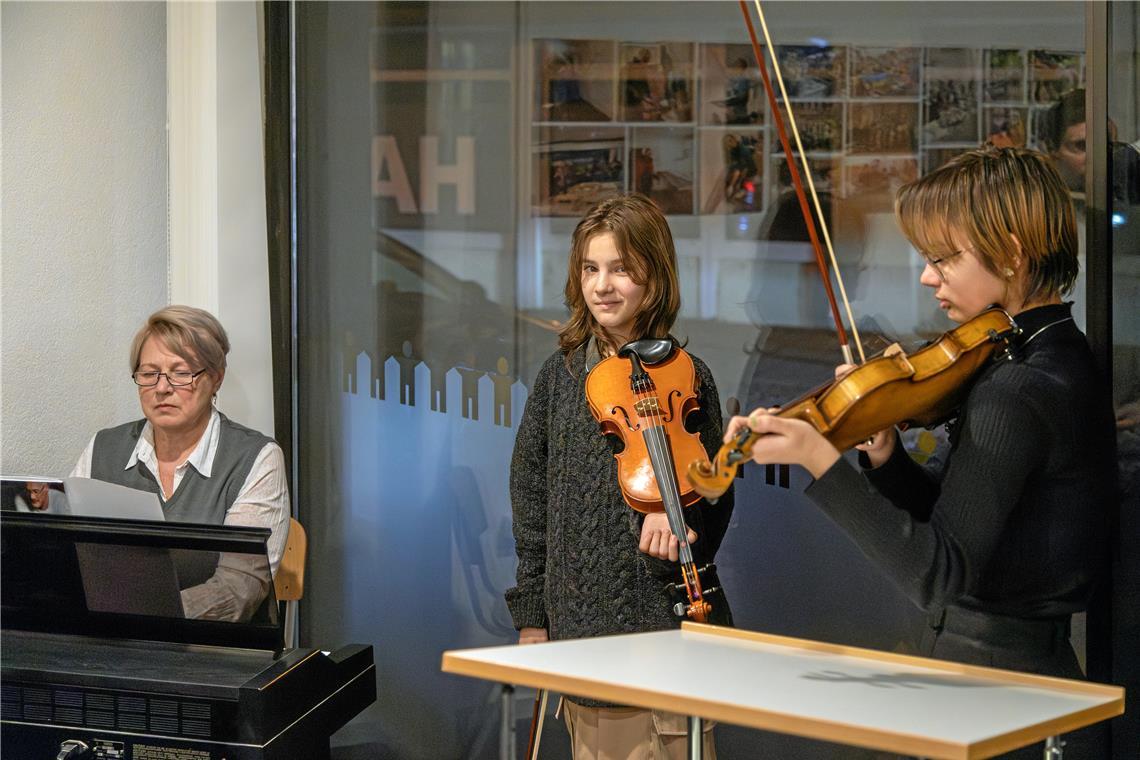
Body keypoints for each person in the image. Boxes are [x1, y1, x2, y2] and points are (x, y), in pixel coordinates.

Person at [726, 146, 1112, 757]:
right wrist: (886, 456)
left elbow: (939, 572)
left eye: (943, 258)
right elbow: (970, 521)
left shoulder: (1020, 386)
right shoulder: (1051, 356)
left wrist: (821, 461)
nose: (928, 277)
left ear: (1011, 252)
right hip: (1008, 686)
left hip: (1003, 701)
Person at [504, 194, 734, 759]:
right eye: (590, 268)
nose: (603, 285)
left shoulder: (688, 376)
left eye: (622, 269)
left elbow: (716, 491)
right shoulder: (560, 377)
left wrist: (672, 502)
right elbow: (530, 497)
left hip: (667, 624)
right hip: (584, 628)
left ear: (654, 275)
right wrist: (532, 613)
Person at [71, 305, 290, 622]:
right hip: (112, 643)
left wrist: (148, 617)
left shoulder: (256, 457)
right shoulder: (104, 448)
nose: (162, 388)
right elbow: (72, 553)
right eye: (149, 374)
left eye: (180, 373)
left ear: (215, 378)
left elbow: (239, 589)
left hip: (216, 654)